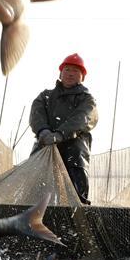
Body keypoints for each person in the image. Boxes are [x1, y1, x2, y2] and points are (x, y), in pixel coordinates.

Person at [30, 53, 99, 204]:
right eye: (67, 70)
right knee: (34, 176)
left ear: (82, 76)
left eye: (75, 71)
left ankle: (78, 210)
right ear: (61, 73)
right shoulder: (45, 96)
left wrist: (61, 134)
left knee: (76, 174)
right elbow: (36, 114)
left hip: (74, 145)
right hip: (45, 142)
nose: (70, 74)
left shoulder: (87, 99)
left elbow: (84, 118)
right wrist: (43, 131)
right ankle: (32, 212)